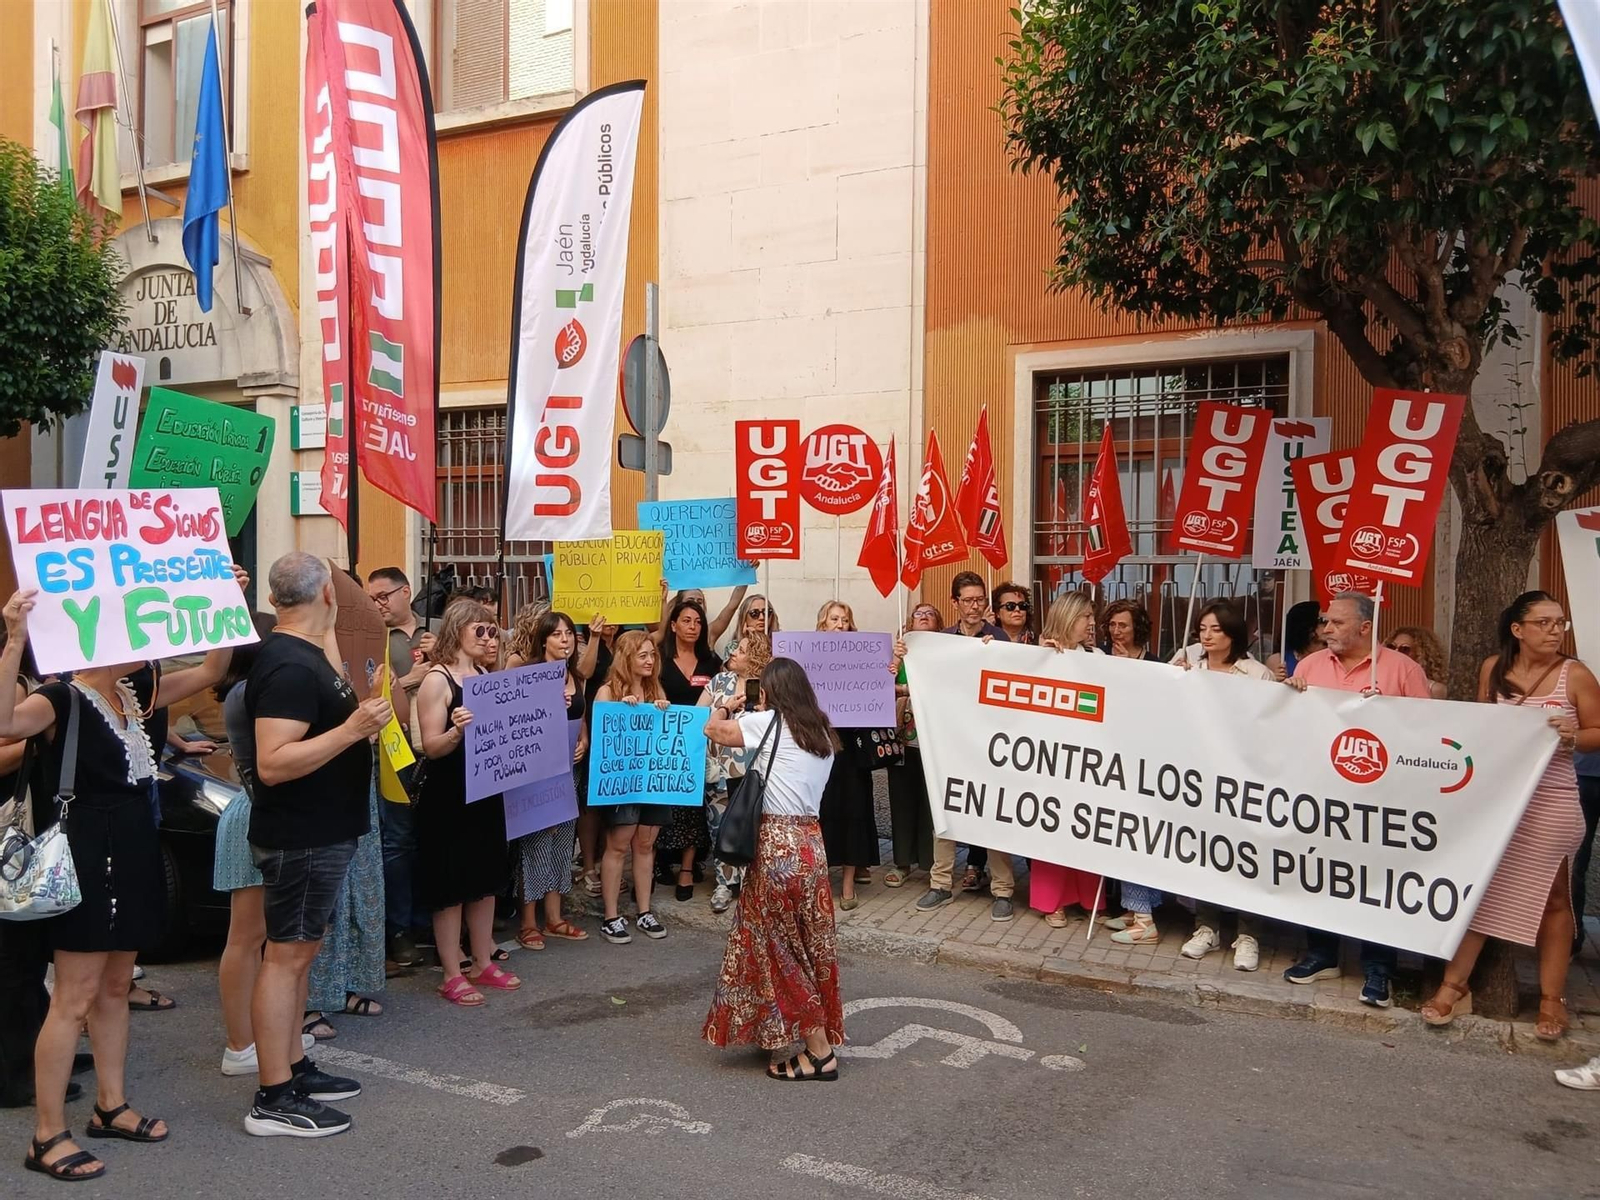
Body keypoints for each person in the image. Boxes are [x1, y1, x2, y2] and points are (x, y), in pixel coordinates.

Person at [0, 571, 242, 1176]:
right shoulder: (62, 696)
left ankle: (110, 1104)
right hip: (86, 854)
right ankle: (46, 1134)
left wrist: (225, 598)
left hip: (130, 849)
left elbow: (213, 672)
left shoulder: (133, 696)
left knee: (112, 989)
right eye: (137, 623)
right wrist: (12, 640)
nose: (150, 634)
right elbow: (5, 725)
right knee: (74, 996)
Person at [245, 553, 387, 1138]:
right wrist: (352, 730)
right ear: (328, 592)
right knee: (284, 959)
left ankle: (294, 1066)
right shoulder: (287, 666)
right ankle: (273, 1095)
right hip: (301, 837)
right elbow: (273, 763)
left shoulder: (306, 654)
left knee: (299, 955)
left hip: (321, 833)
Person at [1422, 592, 1597, 1042]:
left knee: (1555, 899)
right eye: (1543, 622)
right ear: (1517, 630)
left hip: (1553, 800)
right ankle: (1454, 985)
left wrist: (1575, 736)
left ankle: (1551, 1000)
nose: (1555, 630)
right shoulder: (1492, 670)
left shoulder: (1574, 674)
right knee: (1482, 889)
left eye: (1560, 622)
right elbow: (1484, 733)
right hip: (1500, 801)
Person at [1282, 591, 1432, 1007]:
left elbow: (1428, 731)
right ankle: (1322, 953)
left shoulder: (1403, 670)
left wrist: (1388, 714)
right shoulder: (1310, 666)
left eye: (1336, 623)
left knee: (1376, 881)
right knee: (1319, 870)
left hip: (1380, 797)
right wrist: (1290, 695)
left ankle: (1379, 967)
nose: (1325, 629)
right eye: (1325, 622)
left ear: (1366, 628)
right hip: (1320, 792)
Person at [701, 658, 844, 1080]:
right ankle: (775, 1028)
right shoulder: (820, 731)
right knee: (806, 944)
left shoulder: (769, 723)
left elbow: (713, 731)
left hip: (776, 848)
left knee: (779, 950)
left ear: (769, 694)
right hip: (811, 846)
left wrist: (726, 705)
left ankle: (819, 1051)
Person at [415, 599, 517, 1006]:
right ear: (457, 629)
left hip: (485, 791)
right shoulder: (437, 681)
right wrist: (456, 732)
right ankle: (451, 972)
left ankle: (481, 961)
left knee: (485, 880)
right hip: (448, 794)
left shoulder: (483, 676)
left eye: (493, 631)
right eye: (482, 630)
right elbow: (429, 745)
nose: (490, 638)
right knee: (452, 885)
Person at [1167, 601, 1275, 967]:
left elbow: (1270, 724)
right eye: (1202, 629)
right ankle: (1207, 927)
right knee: (1205, 852)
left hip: (1243, 778)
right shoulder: (1185, 665)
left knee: (1245, 855)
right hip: (1196, 777)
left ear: (1232, 634)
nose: (1207, 636)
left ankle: (1247, 935)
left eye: (1215, 629)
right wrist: (1174, 680)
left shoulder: (1256, 674)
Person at [365, 567, 436, 971]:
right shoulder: (371, 639)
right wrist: (410, 679)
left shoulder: (436, 629)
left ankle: (429, 918)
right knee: (397, 841)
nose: (379, 604)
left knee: (430, 836)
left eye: (383, 596)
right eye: (372, 598)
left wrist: (440, 654)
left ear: (405, 592)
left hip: (439, 747)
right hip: (394, 755)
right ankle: (398, 929)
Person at [508, 610, 589, 950]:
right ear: (543, 640)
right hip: (536, 774)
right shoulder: (526, 675)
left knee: (561, 843)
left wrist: (583, 741)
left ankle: (554, 917)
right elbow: (514, 724)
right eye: (557, 634)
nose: (565, 640)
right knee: (536, 842)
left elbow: (579, 718)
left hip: (568, 772)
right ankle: (528, 921)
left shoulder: (576, 676)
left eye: (569, 633)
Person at [1027, 592, 1105, 927]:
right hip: (1049, 759)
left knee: (1086, 829)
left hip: (1088, 758)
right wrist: (1039, 662)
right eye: (1085, 616)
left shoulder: (1097, 655)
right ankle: (1051, 902)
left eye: (1091, 616)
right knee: (1051, 830)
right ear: (1068, 617)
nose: (1091, 623)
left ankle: (1089, 899)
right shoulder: (1039, 654)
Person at [595, 630, 675, 944]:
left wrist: (663, 711)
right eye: (642, 655)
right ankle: (611, 916)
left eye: (652, 655)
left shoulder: (655, 688)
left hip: (652, 779)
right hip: (623, 782)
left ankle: (644, 911)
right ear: (627, 658)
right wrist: (620, 711)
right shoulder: (607, 691)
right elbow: (603, 739)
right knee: (618, 845)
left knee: (645, 845)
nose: (649, 660)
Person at [699, 629, 773, 913]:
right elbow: (696, 715)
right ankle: (723, 883)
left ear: (753, 657)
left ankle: (750, 885)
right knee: (719, 827)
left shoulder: (766, 685)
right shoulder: (719, 681)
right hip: (718, 769)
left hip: (752, 772)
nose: (732, 653)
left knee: (750, 828)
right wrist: (723, 709)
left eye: (740, 650)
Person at [654, 597, 722, 900]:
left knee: (695, 806)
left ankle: (687, 866)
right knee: (665, 804)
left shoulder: (711, 662)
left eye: (697, 622)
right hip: (665, 744)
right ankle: (659, 861)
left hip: (701, 744)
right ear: (673, 625)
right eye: (686, 620)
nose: (693, 626)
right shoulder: (659, 660)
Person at [816, 601, 879, 910]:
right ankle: (821, 878)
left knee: (854, 811)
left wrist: (889, 666)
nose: (840, 624)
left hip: (852, 748)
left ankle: (849, 882)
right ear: (823, 625)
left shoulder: (863, 658)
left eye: (845, 619)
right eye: (834, 619)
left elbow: (876, 692)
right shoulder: (809, 657)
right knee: (822, 811)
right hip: (818, 748)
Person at [884, 604, 942, 889]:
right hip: (901, 741)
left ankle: (932, 865)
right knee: (902, 799)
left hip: (935, 742)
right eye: (918, 613)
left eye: (929, 614)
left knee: (931, 804)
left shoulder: (944, 655)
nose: (923, 616)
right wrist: (895, 660)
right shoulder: (898, 657)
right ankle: (902, 862)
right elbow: (881, 683)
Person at [660, 583, 746, 650]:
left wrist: (746, 574)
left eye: (699, 601)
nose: (695, 604)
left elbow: (732, 606)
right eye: (690, 600)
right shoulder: (666, 634)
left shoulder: (709, 634)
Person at [1265, 599, 1323, 682]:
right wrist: (1274, 680)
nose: (1330, 625)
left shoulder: (1333, 657)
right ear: (1309, 626)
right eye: (1323, 621)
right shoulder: (1278, 660)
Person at [1386, 625, 1450, 699]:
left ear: (1420, 654)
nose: (1395, 652)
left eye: (1404, 649)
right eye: (1391, 647)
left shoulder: (1435, 689)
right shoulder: (1381, 679)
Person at [946, 570, 1008, 641]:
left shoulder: (1000, 636)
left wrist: (995, 649)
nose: (975, 606)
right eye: (968, 600)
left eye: (980, 599)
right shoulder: (945, 637)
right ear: (955, 603)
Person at [722, 593, 778, 658]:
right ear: (744, 617)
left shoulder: (780, 644)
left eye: (766, 612)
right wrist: (750, 641)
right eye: (754, 613)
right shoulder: (734, 646)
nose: (762, 617)